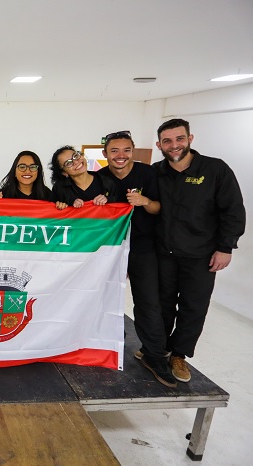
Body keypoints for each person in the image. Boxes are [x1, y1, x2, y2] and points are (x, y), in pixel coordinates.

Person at [154, 118, 245, 383]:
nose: (174, 145)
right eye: (167, 141)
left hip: (201, 255)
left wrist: (225, 247)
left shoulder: (215, 169)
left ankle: (179, 355)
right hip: (164, 252)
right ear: (159, 144)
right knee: (161, 305)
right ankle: (158, 348)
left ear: (190, 139)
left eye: (179, 139)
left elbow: (233, 210)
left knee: (193, 307)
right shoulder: (157, 172)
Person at [98, 131, 176, 388]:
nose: (120, 156)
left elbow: (159, 207)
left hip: (142, 246)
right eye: (114, 151)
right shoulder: (99, 178)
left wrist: (144, 201)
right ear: (105, 154)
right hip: (109, 248)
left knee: (147, 301)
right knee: (103, 295)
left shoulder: (147, 174)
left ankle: (154, 355)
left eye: (126, 150)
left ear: (133, 151)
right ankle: (107, 342)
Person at [50, 145, 118, 209]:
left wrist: (108, 200)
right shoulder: (59, 188)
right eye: (68, 163)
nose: (76, 162)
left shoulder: (106, 182)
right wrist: (68, 204)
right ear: (64, 173)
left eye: (75, 156)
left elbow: (119, 206)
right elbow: (53, 211)